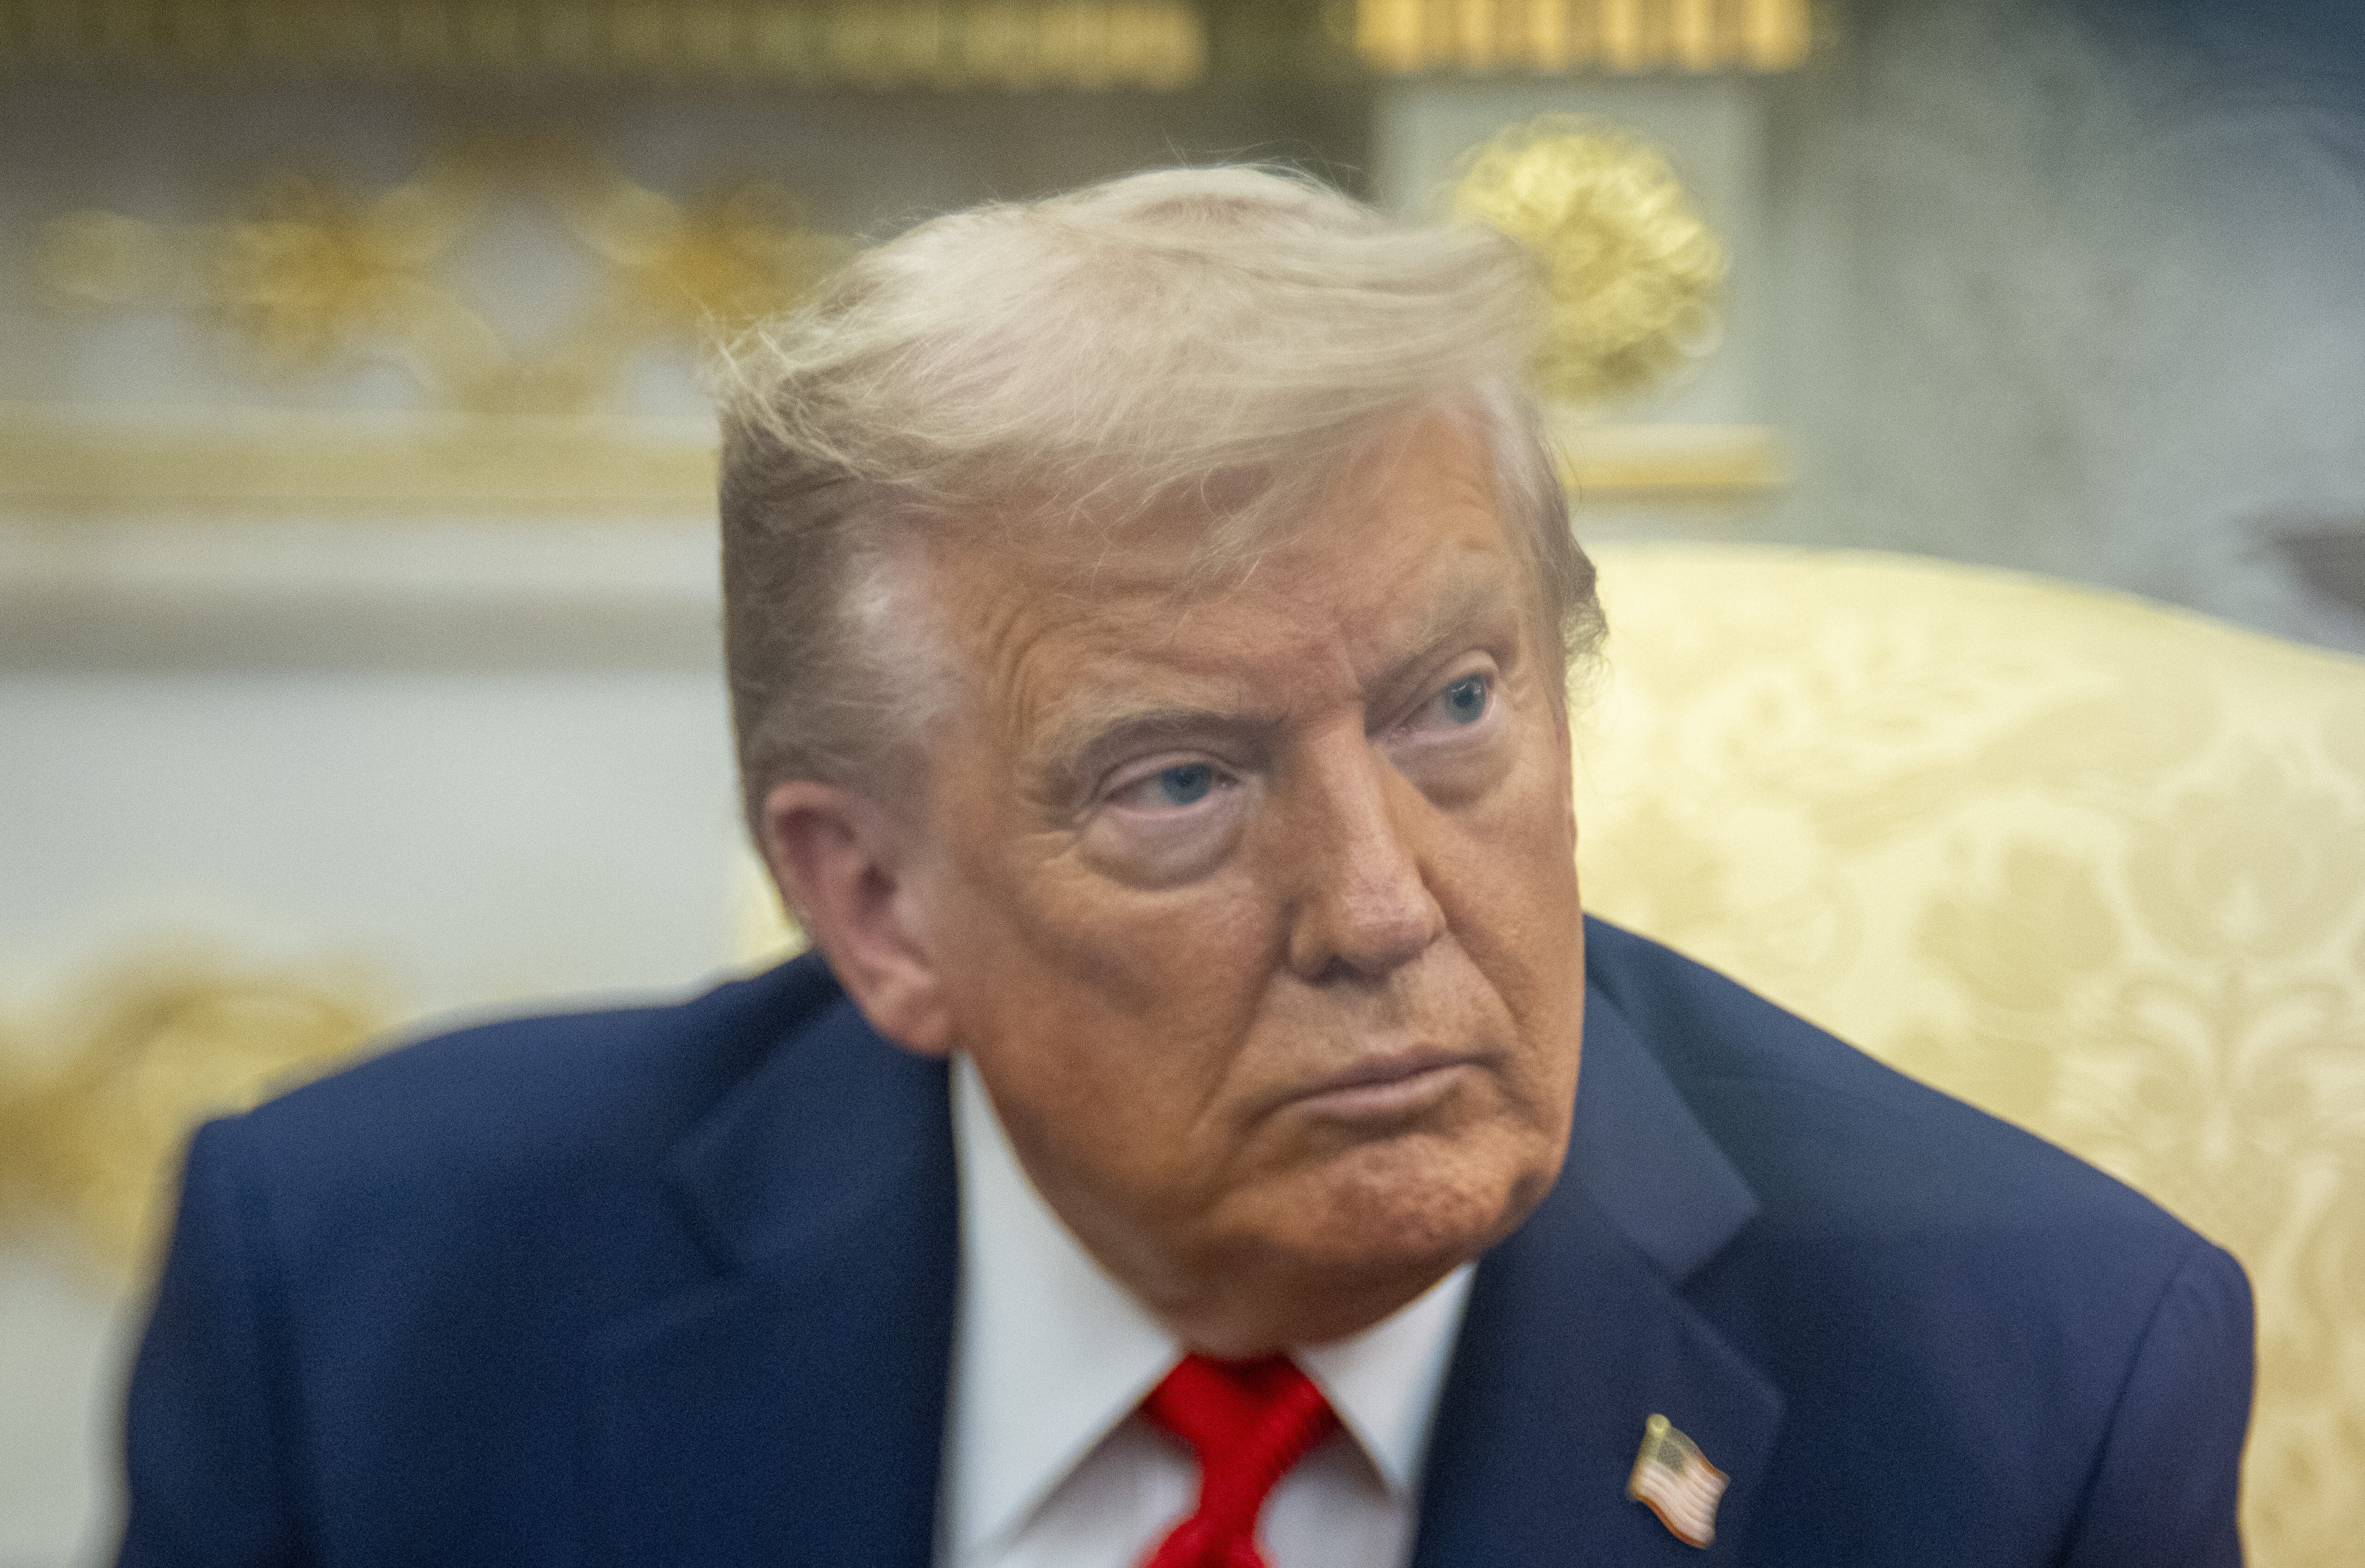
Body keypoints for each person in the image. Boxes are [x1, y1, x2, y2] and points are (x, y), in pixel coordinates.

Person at [116, 168, 2253, 1568]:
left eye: (1452, 708)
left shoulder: (2031, 1384)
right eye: (1176, 784)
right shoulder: (365, 1309)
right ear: (873, 904)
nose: (1385, 905)